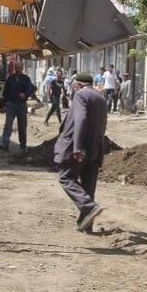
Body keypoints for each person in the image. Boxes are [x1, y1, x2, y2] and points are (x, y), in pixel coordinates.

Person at [54, 73, 108, 233]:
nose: (71, 87)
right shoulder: (100, 98)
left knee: (66, 177)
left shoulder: (80, 95)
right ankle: (87, 224)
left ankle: (89, 207)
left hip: (77, 148)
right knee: (88, 186)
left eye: (73, 84)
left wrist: (77, 147)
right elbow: (102, 125)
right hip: (95, 148)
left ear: (78, 84)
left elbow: (81, 119)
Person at [0, 62, 35, 151]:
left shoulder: (26, 79)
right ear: (15, 68)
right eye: (17, 67)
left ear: (22, 68)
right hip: (11, 105)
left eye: (20, 67)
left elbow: (31, 89)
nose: (18, 69)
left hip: (21, 105)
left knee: (22, 126)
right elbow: (5, 92)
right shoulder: (10, 78)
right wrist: (3, 104)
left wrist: (25, 94)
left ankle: (23, 145)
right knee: (8, 125)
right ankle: (5, 144)